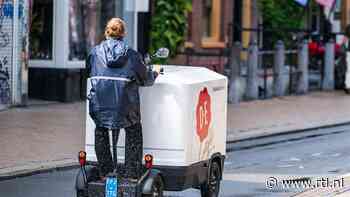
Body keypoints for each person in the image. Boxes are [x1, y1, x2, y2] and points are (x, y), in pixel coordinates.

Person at [86, 18, 158, 179]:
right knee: (133, 130)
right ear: (123, 34)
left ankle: (105, 171)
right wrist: (154, 74)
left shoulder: (94, 53)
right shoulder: (132, 55)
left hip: (100, 105)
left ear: (106, 32)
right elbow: (145, 79)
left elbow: (89, 73)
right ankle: (132, 173)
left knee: (101, 129)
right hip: (125, 107)